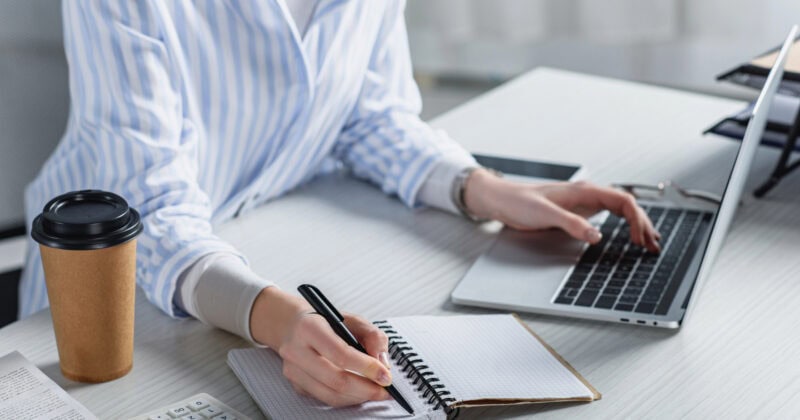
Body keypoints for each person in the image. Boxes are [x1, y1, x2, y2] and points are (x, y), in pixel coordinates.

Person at [21, 0, 660, 408]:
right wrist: (277, 322)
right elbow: (151, 207)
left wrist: (480, 187)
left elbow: (369, 115)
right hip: (105, 302)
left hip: (264, 243)